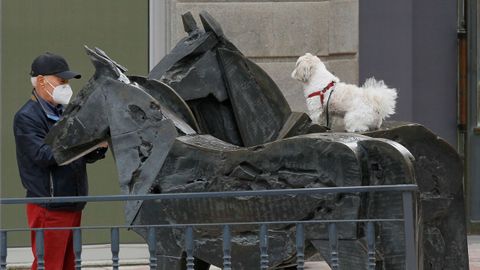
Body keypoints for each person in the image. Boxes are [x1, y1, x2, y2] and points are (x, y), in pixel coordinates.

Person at [13, 52, 107, 270]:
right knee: (50, 265)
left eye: (67, 82)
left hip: (72, 201)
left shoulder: (65, 112)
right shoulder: (26, 117)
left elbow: (76, 155)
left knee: (68, 265)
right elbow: (44, 156)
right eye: (61, 81)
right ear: (42, 81)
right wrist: (82, 141)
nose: (66, 86)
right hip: (49, 204)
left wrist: (97, 147)